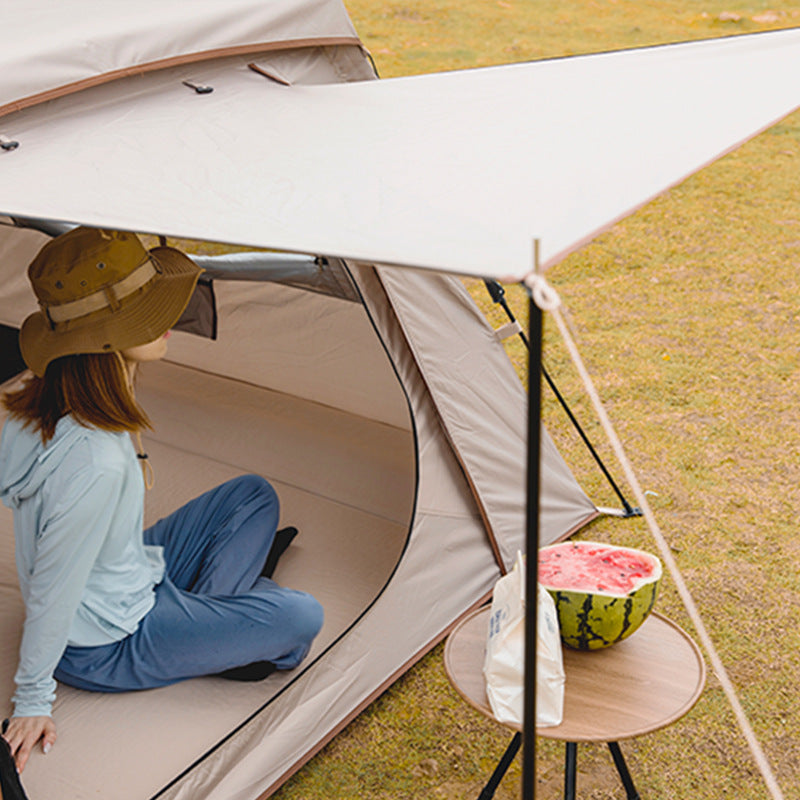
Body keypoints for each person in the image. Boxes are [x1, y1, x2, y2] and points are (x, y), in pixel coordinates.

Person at [0, 228, 323, 773]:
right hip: (110, 642)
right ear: (103, 338)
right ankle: (220, 635)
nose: (170, 316)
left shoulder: (37, 397)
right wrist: (32, 698)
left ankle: (210, 622)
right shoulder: (97, 462)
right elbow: (57, 586)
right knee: (302, 615)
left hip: (131, 569)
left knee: (253, 495)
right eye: (147, 311)